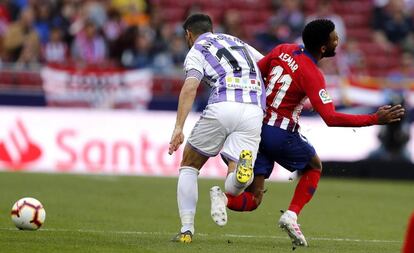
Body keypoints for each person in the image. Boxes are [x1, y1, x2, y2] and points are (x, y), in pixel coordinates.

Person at [210, 19, 405, 248]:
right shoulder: (312, 74)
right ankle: (291, 214)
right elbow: (330, 118)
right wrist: (375, 119)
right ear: (324, 48)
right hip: (280, 132)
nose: (337, 41)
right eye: (334, 39)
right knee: (313, 166)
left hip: (255, 128)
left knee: (254, 198)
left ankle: (223, 198)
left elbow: (256, 75)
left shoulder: (283, 49)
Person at [168, 13, 266, 243]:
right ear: (212, 29)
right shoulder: (237, 41)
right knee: (234, 187)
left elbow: (190, 87)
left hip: (223, 104)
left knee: (190, 164)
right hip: (254, 109)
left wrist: (178, 127)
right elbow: (267, 65)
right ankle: (242, 175)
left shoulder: (196, 51)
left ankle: (186, 231)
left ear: (188, 35)